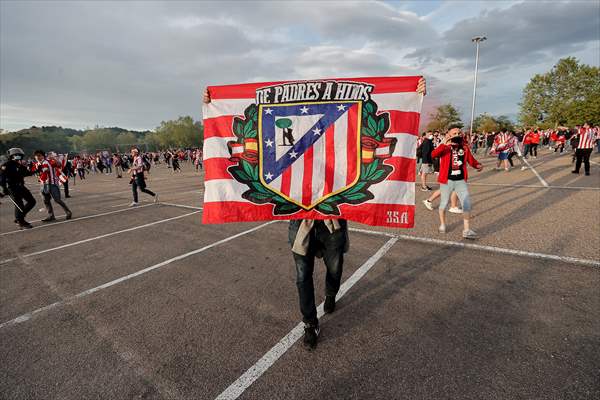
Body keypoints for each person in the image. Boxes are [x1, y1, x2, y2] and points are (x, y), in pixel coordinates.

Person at [203, 78, 429, 350]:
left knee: (335, 268)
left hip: (332, 222)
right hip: (301, 224)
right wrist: (211, 103)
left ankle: (332, 293)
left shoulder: (335, 152)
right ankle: (310, 322)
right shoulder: (290, 157)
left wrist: (414, 94)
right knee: (302, 276)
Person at [431, 128, 483, 239]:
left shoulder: (464, 147)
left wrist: (478, 165)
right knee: (444, 203)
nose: (457, 135)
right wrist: (444, 143)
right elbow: (433, 154)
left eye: (459, 133)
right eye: (454, 133)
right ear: (448, 134)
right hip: (446, 180)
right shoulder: (445, 147)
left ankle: (466, 230)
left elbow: (471, 161)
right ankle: (443, 224)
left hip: (460, 181)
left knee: (467, 204)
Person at [0, 148, 36, 229]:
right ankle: (21, 222)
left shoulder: (19, 164)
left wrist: (37, 170)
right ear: (11, 156)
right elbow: (2, 178)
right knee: (19, 205)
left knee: (32, 201)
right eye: (17, 155)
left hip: (21, 186)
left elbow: (27, 173)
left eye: (20, 155)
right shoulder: (6, 165)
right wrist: (4, 188)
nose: (19, 157)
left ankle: (19, 217)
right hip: (12, 188)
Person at [32, 150, 72, 222]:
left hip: (52, 183)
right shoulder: (36, 164)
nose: (38, 157)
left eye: (39, 155)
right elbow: (34, 172)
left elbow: (60, 165)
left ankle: (68, 212)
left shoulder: (49, 161)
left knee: (57, 199)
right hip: (43, 184)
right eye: (36, 156)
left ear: (43, 156)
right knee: (46, 201)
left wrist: (56, 160)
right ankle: (51, 215)